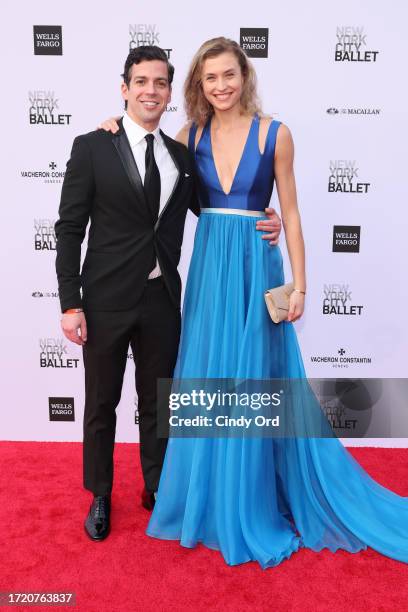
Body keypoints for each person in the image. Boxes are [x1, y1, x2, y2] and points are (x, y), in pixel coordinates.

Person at [143, 37, 408, 567]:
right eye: (209, 77)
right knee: (208, 375)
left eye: (228, 75)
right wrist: (111, 124)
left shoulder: (275, 134)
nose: (220, 86)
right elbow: (153, 175)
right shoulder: (187, 135)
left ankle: (251, 498)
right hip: (210, 267)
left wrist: (302, 286)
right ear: (199, 83)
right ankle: (208, 497)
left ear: (245, 76)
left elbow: (289, 210)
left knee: (254, 379)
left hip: (256, 266)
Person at [55, 45, 281, 542]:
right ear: (125, 89)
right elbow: (69, 229)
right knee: (101, 404)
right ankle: (100, 494)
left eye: (160, 83)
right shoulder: (91, 146)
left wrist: (265, 218)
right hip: (105, 299)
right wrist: (70, 302)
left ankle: (158, 487)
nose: (150, 91)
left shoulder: (181, 154)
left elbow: (219, 204)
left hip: (162, 299)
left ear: (169, 92)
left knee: (160, 401)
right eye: (141, 82)